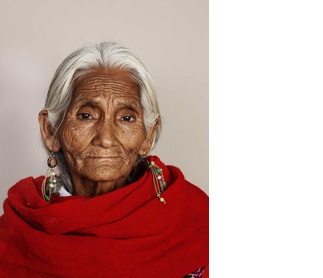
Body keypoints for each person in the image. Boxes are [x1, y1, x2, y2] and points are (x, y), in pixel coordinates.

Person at [0, 41, 209, 277]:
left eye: (127, 118)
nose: (106, 138)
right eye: (86, 115)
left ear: (148, 136)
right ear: (50, 130)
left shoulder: (197, 219)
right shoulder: (16, 232)